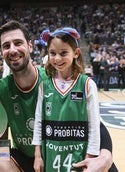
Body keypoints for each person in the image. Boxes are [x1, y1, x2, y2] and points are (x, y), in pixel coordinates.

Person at [0, 20, 117, 172]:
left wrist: (106, 156)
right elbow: (1, 140)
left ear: (30, 46)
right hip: (26, 158)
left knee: (105, 168)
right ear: (1, 52)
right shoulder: (0, 89)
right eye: (6, 46)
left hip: (62, 152)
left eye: (18, 43)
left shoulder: (53, 79)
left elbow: (95, 124)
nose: (12, 50)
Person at [32, 27, 101, 172]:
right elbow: (38, 123)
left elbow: (94, 127)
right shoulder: (44, 86)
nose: (57, 58)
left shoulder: (87, 84)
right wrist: (37, 155)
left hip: (79, 156)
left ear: (76, 53)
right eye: (52, 53)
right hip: (50, 154)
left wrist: (90, 157)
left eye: (63, 53)